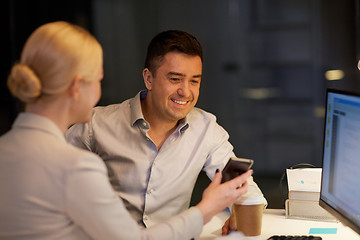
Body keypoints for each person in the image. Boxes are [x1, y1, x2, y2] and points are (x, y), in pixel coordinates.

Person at [0, 21, 253, 240]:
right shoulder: (75, 165)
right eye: (99, 79)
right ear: (78, 87)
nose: (185, 91)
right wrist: (207, 208)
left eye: (194, 80)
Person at [66, 30, 266, 235]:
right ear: (148, 79)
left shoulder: (207, 129)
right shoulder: (94, 125)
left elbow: (244, 187)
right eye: (175, 79)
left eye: (194, 81)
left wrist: (240, 212)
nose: (186, 92)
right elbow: (53, 185)